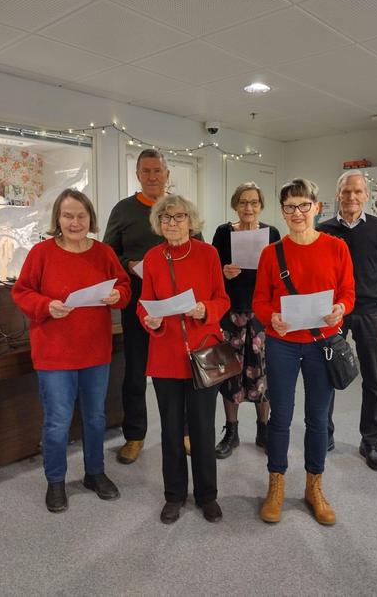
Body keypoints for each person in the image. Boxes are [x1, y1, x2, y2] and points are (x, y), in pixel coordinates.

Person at [12, 189, 131, 513]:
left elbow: (124, 287)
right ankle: (55, 481)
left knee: (95, 417)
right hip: (54, 353)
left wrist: (117, 296)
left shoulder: (104, 253)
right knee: (57, 421)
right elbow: (21, 292)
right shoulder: (41, 253)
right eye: (68, 215)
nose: (75, 222)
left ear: (90, 218)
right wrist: (46, 305)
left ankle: (95, 473)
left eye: (81, 215)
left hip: (95, 351)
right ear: (58, 219)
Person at [253, 178, 354, 525]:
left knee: (317, 417)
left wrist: (341, 308)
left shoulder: (337, 248)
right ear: (282, 212)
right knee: (280, 416)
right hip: (281, 343)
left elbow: (348, 292)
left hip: (321, 345)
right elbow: (259, 300)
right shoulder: (271, 253)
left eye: (303, 205)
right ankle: (276, 484)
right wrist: (271, 317)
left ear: (317, 207)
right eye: (290, 207)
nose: (297, 213)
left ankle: (314, 485)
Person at [137, 194, 229, 524]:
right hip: (166, 354)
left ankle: (207, 495)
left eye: (178, 217)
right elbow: (144, 304)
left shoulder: (208, 253)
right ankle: (174, 495)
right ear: (158, 223)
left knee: (203, 428)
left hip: (203, 351)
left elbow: (222, 299)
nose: (172, 223)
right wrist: (149, 320)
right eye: (165, 218)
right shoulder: (152, 257)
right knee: (171, 429)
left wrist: (206, 309)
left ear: (191, 221)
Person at [317, 170, 377, 471]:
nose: (351, 196)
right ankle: (324, 434)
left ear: (366, 195)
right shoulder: (323, 230)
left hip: (369, 311)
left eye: (357, 191)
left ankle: (370, 442)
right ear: (338, 194)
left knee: (373, 379)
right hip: (333, 312)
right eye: (346, 191)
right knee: (326, 374)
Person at [103, 149, 169, 464]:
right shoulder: (124, 210)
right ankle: (134, 436)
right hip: (137, 305)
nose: (152, 176)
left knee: (179, 372)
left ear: (167, 175)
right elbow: (107, 253)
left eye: (157, 170)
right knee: (135, 373)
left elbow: (197, 249)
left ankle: (183, 430)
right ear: (138, 175)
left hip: (175, 306)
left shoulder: (178, 209)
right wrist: (128, 263)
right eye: (146, 171)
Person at [211, 182, 280, 458]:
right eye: (243, 202)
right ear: (235, 205)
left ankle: (264, 429)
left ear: (261, 206)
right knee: (230, 373)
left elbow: (280, 274)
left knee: (263, 373)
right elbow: (210, 273)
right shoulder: (223, 232)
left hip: (261, 314)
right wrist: (223, 272)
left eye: (254, 202)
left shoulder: (272, 233)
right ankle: (232, 431)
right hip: (231, 313)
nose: (248, 207)